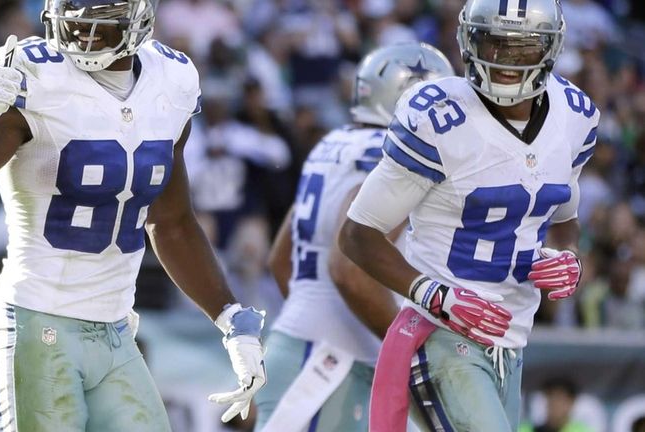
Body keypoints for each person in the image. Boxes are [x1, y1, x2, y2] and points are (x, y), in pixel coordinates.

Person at [0, 1, 266, 431]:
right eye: (73, 6)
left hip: (115, 332)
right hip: (35, 321)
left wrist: (230, 317)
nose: (81, 22)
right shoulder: (32, 71)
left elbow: (171, 221)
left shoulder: (172, 79)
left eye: (100, 10)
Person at [339, 0, 598, 431]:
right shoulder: (440, 117)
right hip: (439, 330)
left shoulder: (574, 116)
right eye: (492, 43)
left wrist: (568, 255)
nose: (503, 60)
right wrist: (434, 295)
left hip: (513, 336)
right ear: (467, 40)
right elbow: (357, 234)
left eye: (521, 48)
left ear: (549, 49)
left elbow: (565, 215)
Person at [254, 43, 454, 432]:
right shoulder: (391, 154)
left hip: (304, 349)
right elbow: (349, 268)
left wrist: (312, 316)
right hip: (329, 367)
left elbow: (282, 260)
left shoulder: (332, 145)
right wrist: (413, 353)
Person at [518, 377, 593, 432]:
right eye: (550, 397)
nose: (554, 404)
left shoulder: (582, 430)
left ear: (571, 402)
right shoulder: (526, 429)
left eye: (559, 399)